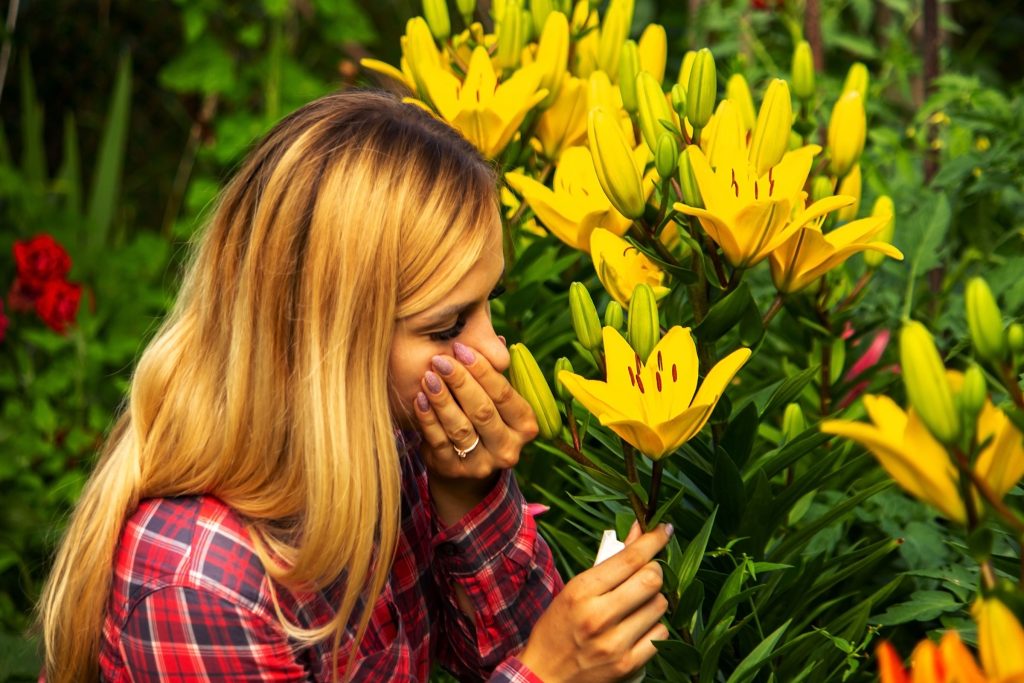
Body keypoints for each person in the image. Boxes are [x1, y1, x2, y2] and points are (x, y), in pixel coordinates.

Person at [38, 90, 672, 682]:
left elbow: (512, 645)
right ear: (328, 341)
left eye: (488, 306)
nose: (495, 354)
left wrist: (468, 489)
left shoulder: (390, 446)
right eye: (448, 324)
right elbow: (538, 661)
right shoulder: (200, 585)